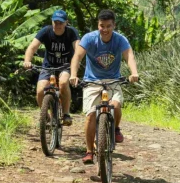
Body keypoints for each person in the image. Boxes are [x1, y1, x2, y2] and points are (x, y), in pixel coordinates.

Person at [69, 9, 139, 164]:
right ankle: (89, 151)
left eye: (108, 26)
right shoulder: (89, 38)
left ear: (114, 25)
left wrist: (134, 72)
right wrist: (73, 74)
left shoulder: (120, 39)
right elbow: (77, 56)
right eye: (102, 26)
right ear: (98, 25)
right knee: (91, 115)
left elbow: (129, 56)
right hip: (92, 81)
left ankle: (116, 128)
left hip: (113, 80)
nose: (105, 29)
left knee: (116, 105)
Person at [24, 9, 80, 126]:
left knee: (64, 83)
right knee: (40, 90)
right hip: (48, 66)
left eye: (60, 23)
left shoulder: (71, 32)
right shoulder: (46, 31)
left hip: (66, 65)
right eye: (55, 22)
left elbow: (78, 51)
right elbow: (32, 47)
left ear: (66, 22)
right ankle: (46, 114)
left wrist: (75, 68)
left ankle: (66, 114)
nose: (58, 25)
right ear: (52, 22)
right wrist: (27, 61)